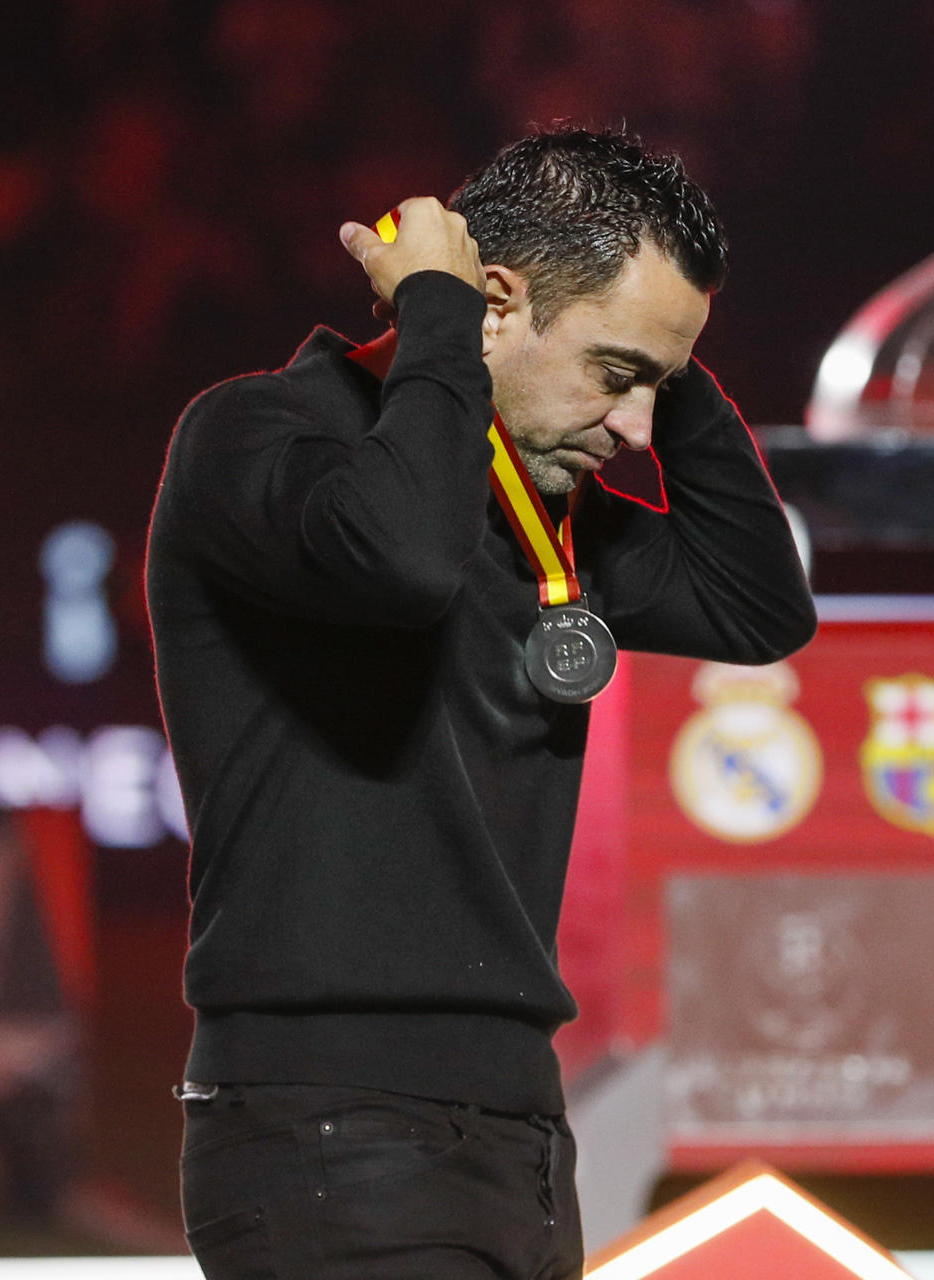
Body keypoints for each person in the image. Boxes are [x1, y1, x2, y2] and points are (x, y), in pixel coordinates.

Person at [146, 127, 817, 1279]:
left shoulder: (551, 513)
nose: (636, 429)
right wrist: (440, 316)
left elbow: (757, 605)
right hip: (332, 1126)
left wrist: (666, 358)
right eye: (616, 373)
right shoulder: (259, 434)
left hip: (517, 1132)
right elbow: (404, 560)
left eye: (654, 386)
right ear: (494, 304)